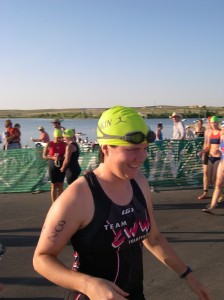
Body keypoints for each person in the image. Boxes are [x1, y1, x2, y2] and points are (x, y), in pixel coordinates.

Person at [33, 106, 211, 300]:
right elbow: (42, 259)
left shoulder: (139, 182)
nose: (142, 157)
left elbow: (153, 238)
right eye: (133, 149)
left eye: (145, 149)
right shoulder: (78, 197)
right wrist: (89, 284)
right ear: (106, 148)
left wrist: (188, 276)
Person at [202, 121, 224, 214]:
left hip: (221, 162)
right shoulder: (222, 138)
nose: (223, 129)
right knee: (217, 184)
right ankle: (212, 206)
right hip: (222, 163)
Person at [197, 116, 221, 200]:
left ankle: (218, 193)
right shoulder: (207, 132)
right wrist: (203, 153)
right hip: (207, 153)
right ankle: (205, 192)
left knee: (214, 178)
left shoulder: (219, 132)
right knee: (206, 173)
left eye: (211, 122)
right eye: (209, 122)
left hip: (217, 155)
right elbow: (206, 144)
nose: (210, 123)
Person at [43, 129, 67, 203]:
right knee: (54, 185)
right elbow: (44, 156)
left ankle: (60, 202)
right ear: (54, 137)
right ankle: (54, 203)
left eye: (60, 137)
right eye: (58, 138)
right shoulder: (49, 144)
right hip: (52, 164)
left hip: (61, 164)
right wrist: (52, 158)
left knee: (60, 185)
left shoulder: (64, 144)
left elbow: (68, 156)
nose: (59, 139)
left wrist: (62, 158)